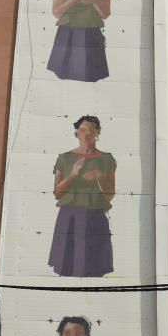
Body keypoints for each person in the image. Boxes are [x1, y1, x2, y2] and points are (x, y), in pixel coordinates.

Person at [48, 115, 116, 277]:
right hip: (69, 216)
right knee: (67, 267)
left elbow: (109, 195)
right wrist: (73, 174)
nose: (87, 134)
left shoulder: (106, 159)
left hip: (95, 216)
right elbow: (57, 193)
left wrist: (99, 175)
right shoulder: (65, 158)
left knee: (94, 269)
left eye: (91, 130)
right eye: (83, 130)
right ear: (76, 133)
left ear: (98, 132)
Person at [47, 0, 113, 82]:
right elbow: (56, 13)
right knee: (63, 74)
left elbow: (105, 14)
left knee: (91, 74)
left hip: (92, 32)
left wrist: (95, 1)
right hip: (67, 33)